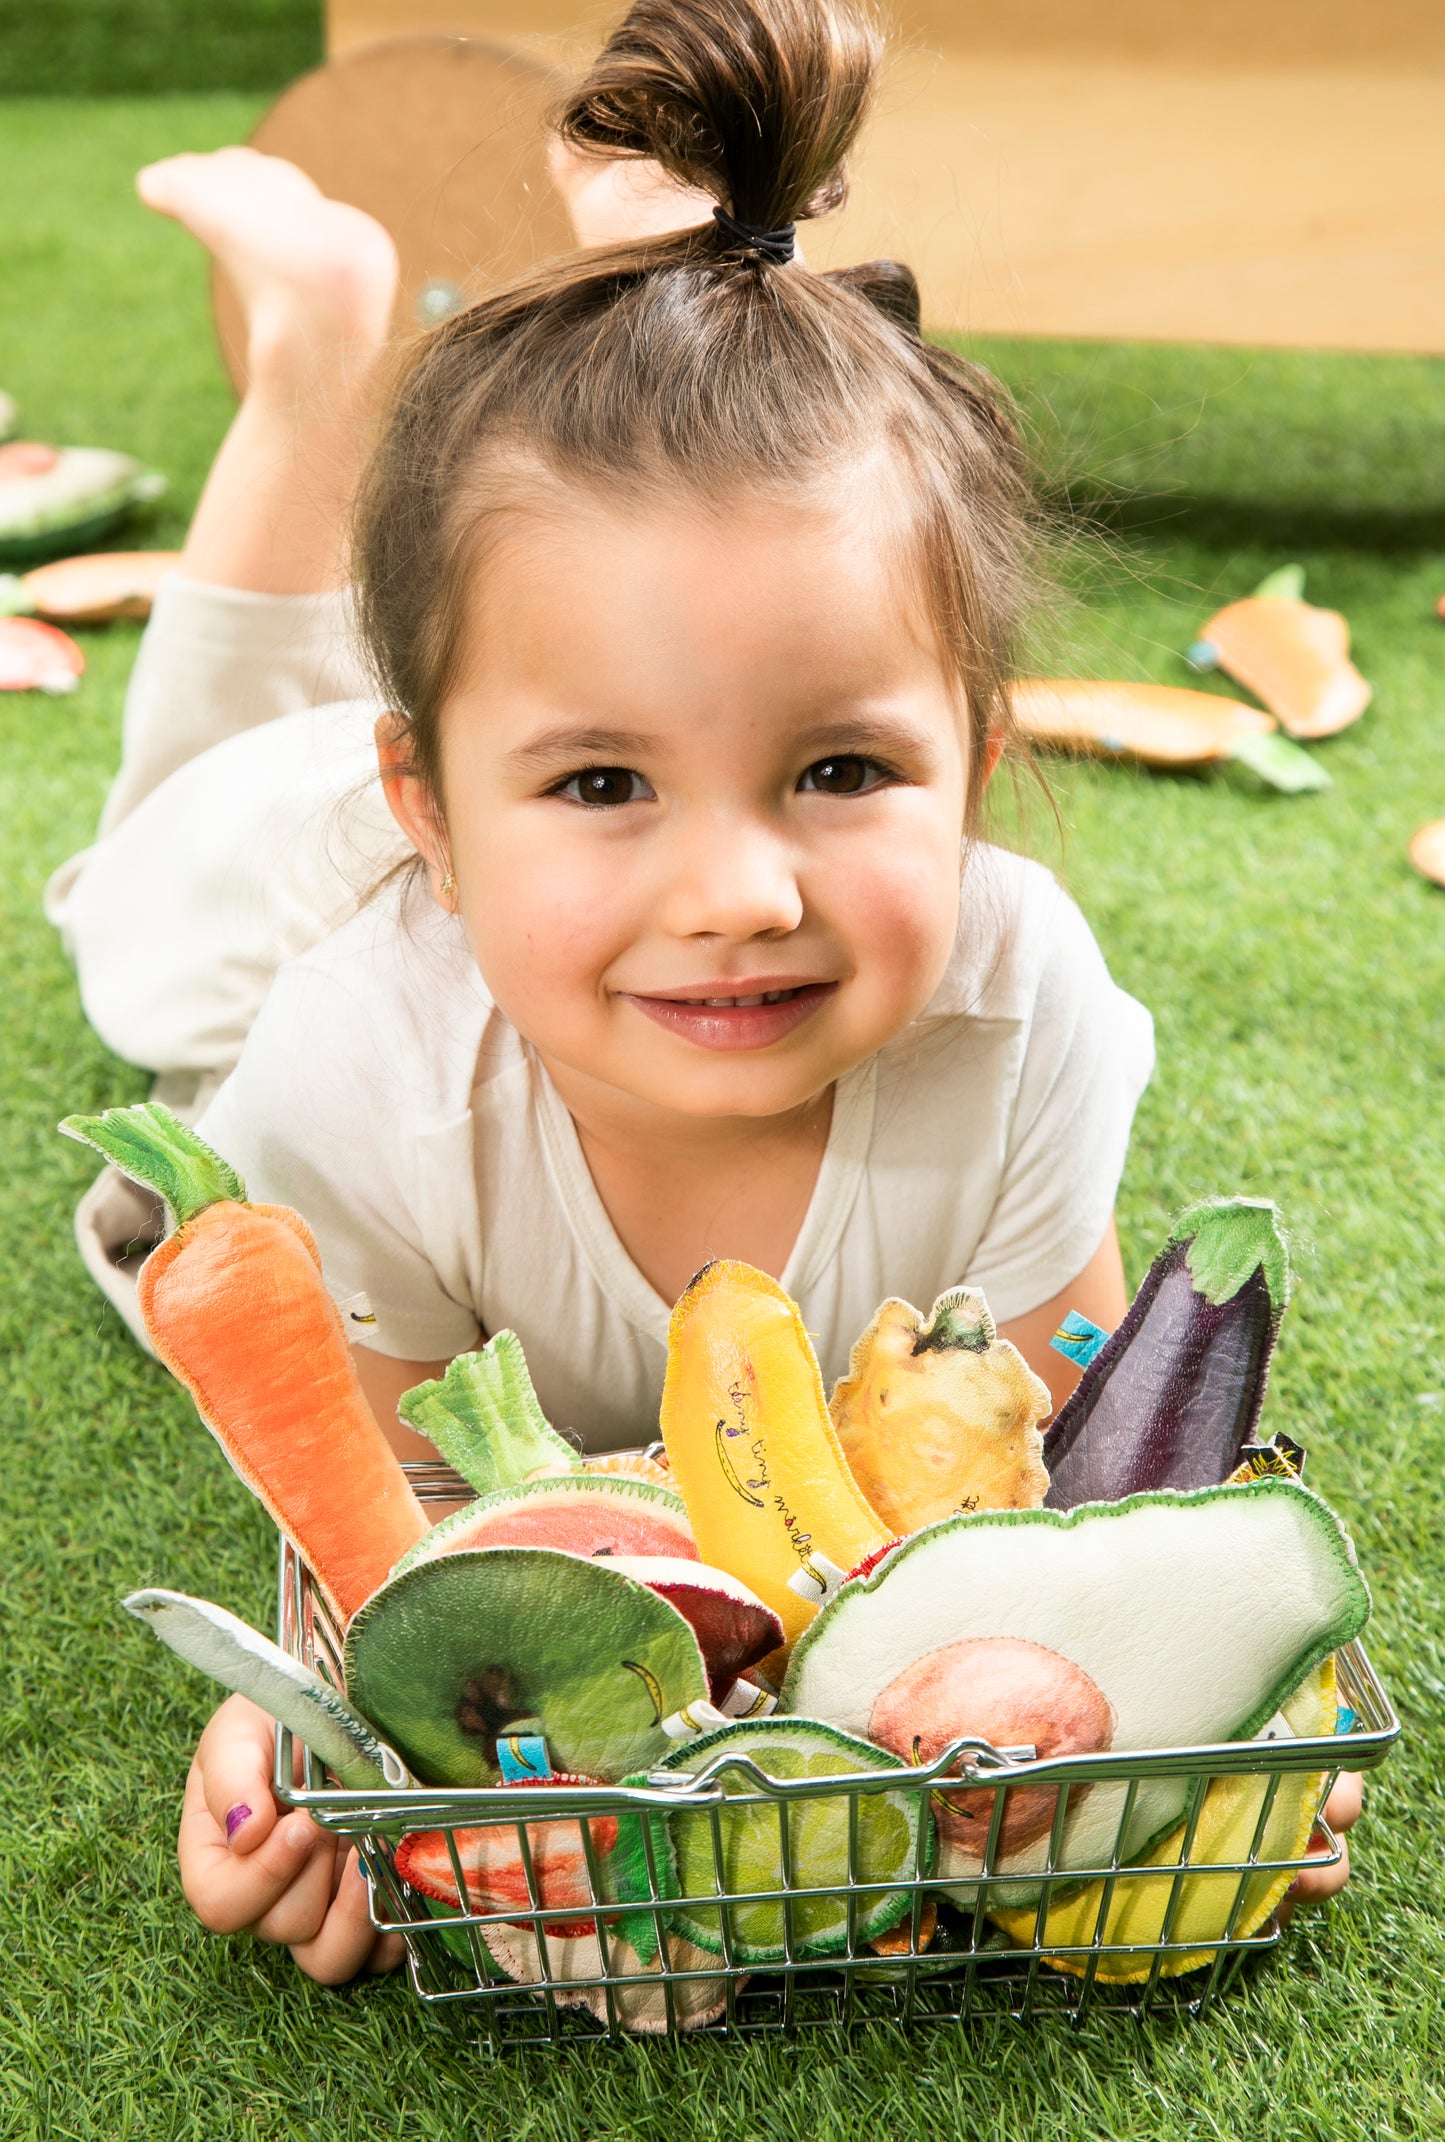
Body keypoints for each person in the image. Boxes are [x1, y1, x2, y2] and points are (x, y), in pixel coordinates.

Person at [51, 0, 1360, 1983]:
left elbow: (1056, 1495)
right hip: (308, 919)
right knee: (153, 902)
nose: (742, 896)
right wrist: (334, 1747)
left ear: (978, 765)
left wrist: (1204, 1736)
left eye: (843, 771)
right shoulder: (350, 1073)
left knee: (547, 732)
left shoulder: (1023, 1017)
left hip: (489, 870)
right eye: (607, 783)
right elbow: (375, 1528)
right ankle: (315, 371)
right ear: (443, 807)